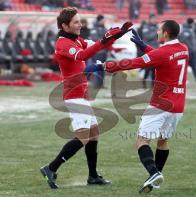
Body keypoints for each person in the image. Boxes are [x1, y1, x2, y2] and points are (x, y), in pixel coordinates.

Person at [40, 7, 132, 189]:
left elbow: (97, 45)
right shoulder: (63, 44)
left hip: (81, 93)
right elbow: (83, 55)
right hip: (73, 94)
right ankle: (51, 167)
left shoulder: (75, 40)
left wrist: (115, 36)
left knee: (94, 134)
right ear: (65, 26)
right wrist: (104, 40)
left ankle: (93, 176)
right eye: (76, 22)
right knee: (83, 137)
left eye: (79, 21)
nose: (80, 25)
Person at [103, 20, 189, 193]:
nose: (157, 32)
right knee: (163, 141)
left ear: (165, 33)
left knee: (142, 140)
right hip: (178, 106)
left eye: (159, 29)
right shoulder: (184, 48)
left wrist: (107, 66)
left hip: (160, 104)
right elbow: (163, 57)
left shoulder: (162, 52)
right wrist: (145, 46)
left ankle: (153, 172)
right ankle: (154, 178)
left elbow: (136, 63)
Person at [179, 18, 196, 82]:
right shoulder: (186, 31)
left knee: (193, 65)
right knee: (185, 66)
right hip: (188, 51)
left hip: (191, 51)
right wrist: (191, 48)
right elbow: (184, 41)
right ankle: (185, 79)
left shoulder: (190, 30)